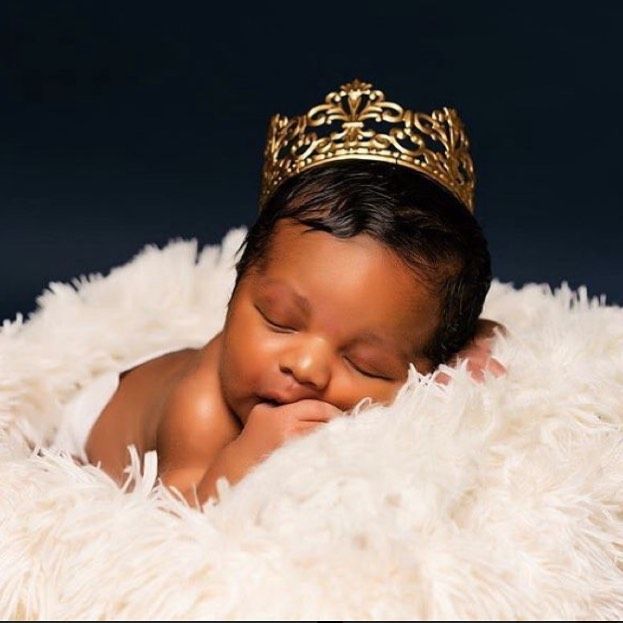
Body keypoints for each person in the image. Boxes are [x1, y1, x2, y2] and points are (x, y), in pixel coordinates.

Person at [54, 79, 508, 507]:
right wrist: (247, 456)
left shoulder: (410, 361)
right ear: (235, 290)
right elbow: (176, 517)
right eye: (280, 320)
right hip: (100, 425)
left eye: (364, 362)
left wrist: (469, 354)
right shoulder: (201, 409)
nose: (307, 367)